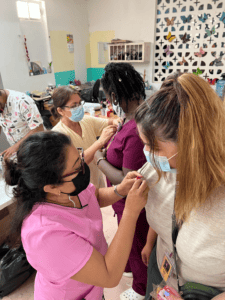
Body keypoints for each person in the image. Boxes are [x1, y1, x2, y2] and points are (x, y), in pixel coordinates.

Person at [4, 131, 149, 300]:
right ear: (51, 187)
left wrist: (120, 190)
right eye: (76, 167)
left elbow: (95, 196)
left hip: (93, 288)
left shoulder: (69, 189)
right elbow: (109, 275)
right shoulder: (45, 234)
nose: (83, 166)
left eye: (80, 157)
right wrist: (131, 212)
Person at [135, 72, 225, 300]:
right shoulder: (159, 170)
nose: (147, 155)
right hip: (165, 268)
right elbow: (165, 212)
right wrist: (150, 243)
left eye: (153, 148)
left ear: (190, 145)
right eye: (144, 145)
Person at [94, 63, 157, 300]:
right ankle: (132, 271)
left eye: (108, 97)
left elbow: (126, 179)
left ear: (113, 95)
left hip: (132, 201)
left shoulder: (134, 129)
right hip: (125, 202)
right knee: (130, 242)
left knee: (136, 242)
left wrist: (100, 158)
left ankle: (142, 289)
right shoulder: (134, 119)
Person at [51, 86, 120, 188]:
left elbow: (110, 121)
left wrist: (117, 121)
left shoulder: (86, 121)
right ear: (61, 111)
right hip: (78, 187)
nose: (79, 107)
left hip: (96, 179)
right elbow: (77, 165)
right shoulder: (57, 136)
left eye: (80, 103)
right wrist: (100, 142)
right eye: (74, 106)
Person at [0, 89, 44, 160]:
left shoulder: (22, 100)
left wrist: (16, 146)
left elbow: (39, 129)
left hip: (36, 149)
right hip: (19, 152)